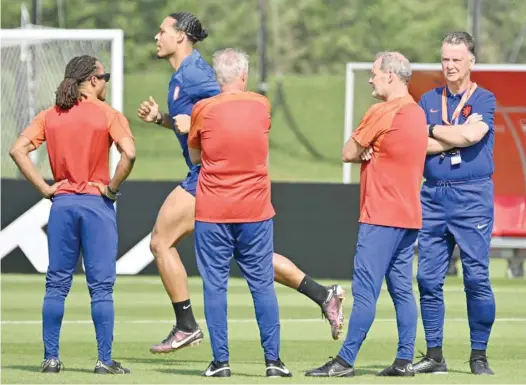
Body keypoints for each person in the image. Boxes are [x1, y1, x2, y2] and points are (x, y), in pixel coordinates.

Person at [136, 11, 345, 353]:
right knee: (252, 257)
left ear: (181, 37)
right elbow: (196, 123)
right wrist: (162, 118)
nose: (156, 37)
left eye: (162, 31)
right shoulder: (181, 76)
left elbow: (226, 105)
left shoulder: (196, 75)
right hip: (209, 174)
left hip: (209, 177)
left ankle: (187, 326)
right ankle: (324, 295)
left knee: (161, 241)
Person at [9, 55, 135, 374]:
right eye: (103, 75)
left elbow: (17, 149)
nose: (106, 80)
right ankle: (103, 360)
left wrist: (45, 188)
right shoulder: (108, 115)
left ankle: (51, 359)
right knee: (101, 287)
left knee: (56, 285)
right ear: (92, 81)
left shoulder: (50, 115)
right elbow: (129, 154)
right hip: (96, 204)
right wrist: (112, 188)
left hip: (62, 204)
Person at [305, 52, 428, 377]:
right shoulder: (416, 113)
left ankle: (344, 361)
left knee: (365, 291)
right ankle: (404, 361)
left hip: (381, 215)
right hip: (409, 216)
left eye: (374, 73)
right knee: (402, 290)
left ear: (390, 75)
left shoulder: (382, 111)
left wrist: (364, 150)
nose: (371, 79)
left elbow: (348, 151)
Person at [184, 47, 292, 378]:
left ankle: (221, 362)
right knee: (262, 285)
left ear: (218, 78)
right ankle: (273, 361)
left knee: (215, 286)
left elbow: (195, 156)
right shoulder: (261, 105)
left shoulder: (203, 108)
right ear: (243, 76)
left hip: (213, 209)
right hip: (255, 210)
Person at [413, 31, 496, 376]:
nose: (449, 65)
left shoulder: (486, 99)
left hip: (472, 196)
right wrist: (445, 132)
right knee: (428, 278)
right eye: (445, 59)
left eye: (456, 60)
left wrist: (436, 134)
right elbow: (420, 144)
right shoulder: (428, 99)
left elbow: (474, 136)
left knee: (476, 277)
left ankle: (479, 354)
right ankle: (434, 355)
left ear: (471, 62)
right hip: (433, 195)